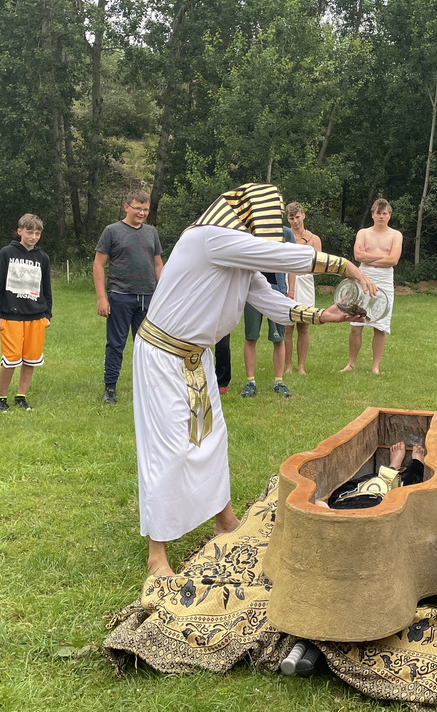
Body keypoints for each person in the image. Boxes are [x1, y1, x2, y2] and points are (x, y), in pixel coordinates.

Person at [132, 183, 375, 577]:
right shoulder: (208, 239)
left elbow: (270, 300)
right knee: (169, 449)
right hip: (162, 356)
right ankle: (156, 554)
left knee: (212, 438)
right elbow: (281, 255)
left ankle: (224, 519)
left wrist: (322, 315)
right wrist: (343, 265)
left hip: (196, 358)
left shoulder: (237, 257)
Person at [93, 188, 163, 404]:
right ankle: (110, 388)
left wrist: (163, 293)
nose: (142, 213)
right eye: (138, 208)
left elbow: (158, 264)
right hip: (120, 295)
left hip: (148, 297)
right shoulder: (112, 231)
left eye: (145, 209)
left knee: (148, 346)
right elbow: (98, 264)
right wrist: (101, 297)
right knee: (116, 344)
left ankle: (149, 389)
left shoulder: (151, 232)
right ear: (126, 207)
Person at [0, 213, 53, 412]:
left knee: (30, 359)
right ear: (20, 231)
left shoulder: (43, 258)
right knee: (10, 359)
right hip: (11, 316)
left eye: (37, 233)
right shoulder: (7, 253)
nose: (33, 237)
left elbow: (46, 288)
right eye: (29, 232)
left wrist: (47, 314)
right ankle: (1, 399)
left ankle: (21, 396)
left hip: (36, 316)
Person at [340, 198, 402, 374]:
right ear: (372, 214)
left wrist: (370, 257)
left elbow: (393, 260)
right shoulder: (363, 233)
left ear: (389, 215)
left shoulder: (395, 235)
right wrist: (381, 257)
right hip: (363, 277)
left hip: (385, 280)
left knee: (380, 325)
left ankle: (375, 366)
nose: (381, 216)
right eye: (378, 213)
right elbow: (358, 256)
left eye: (384, 213)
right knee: (356, 323)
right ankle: (351, 363)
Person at [241, 225, 295, 398]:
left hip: (277, 290)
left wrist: (291, 290)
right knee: (251, 337)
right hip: (253, 292)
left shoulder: (285, 233)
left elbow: (293, 261)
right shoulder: (250, 231)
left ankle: (279, 381)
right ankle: (250, 382)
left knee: (279, 339)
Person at [314, 440, 427, 509]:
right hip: (383, 506)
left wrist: (327, 512)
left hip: (347, 502)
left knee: (369, 484)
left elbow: (318, 504)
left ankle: (393, 468)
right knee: (411, 481)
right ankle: (410, 464)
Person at [285, 202, 322, 374]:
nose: (295, 221)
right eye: (291, 218)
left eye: (297, 217)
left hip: (306, 281)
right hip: (287, 280)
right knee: (287, 325)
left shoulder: (314, 239)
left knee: (304, 325)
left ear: (303, 215)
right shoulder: (285, 236)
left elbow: (320, 266)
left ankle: (301, 366)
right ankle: (287, 365)